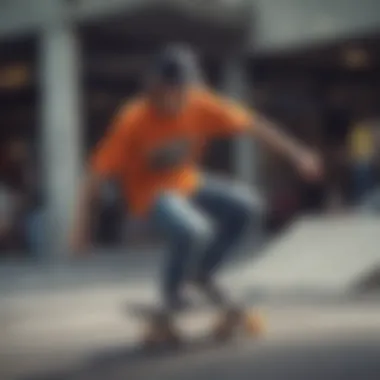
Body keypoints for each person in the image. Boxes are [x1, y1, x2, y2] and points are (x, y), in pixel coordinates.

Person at [71, 45, 322, 341]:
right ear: (154, 89)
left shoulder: (200, 103)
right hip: (149, 197)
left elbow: (256, 126)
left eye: (183, 92)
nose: (177, 100)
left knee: (248, 206)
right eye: (170, 93)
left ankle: (204, 273)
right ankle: (171, 297)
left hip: (188, 184)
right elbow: (95, 176)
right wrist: (80, 229)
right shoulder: (133, 119)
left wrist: (298, 154)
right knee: (194, 230)